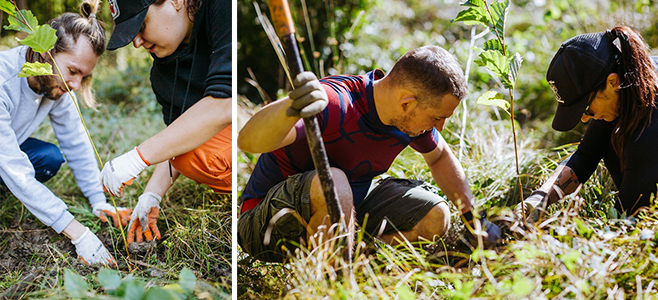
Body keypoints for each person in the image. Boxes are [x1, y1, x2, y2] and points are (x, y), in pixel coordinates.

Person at [237, 46, 501, 263]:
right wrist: (292, 106)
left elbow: (440, 156)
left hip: (346, 211)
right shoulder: (332, 103)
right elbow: (248, 141)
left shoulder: (409, 119)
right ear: (407, 102)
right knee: (335, 182)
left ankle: (352, 259)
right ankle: (331, 284)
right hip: (263, 225)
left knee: (435, 216)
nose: (440, 127)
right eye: (437, 117)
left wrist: (473, 219)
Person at [0, 0, 132, 266]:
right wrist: (78, 233)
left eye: (83, 76)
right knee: (17, 172)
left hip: (6, 151)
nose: (75, 85)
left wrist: (98, 200)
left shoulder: (56, 84)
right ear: (46, 53)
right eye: (72, 71)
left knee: (49, 158)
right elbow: (14, 167)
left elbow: (75, 141)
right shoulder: (4, 79)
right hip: (5, 157)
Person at [100, 0, 232, 245]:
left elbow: (225, 104)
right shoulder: (163, 72)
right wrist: (152, 195)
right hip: (230, 135)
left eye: (142, 25)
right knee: (187, 154)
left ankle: (254, 191)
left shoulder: (222, 7)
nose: (137, 42)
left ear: (176, 1)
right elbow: (179, 137)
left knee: (194, 156)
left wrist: (137, 157)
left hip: (259, 127)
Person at [516, 26, 658, 222]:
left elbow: (626, 221)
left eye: (586, 108)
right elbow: (585, 155)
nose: (584, 119)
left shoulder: (647, 132)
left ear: (612, 82)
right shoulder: (629, 85)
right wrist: (539, 198)